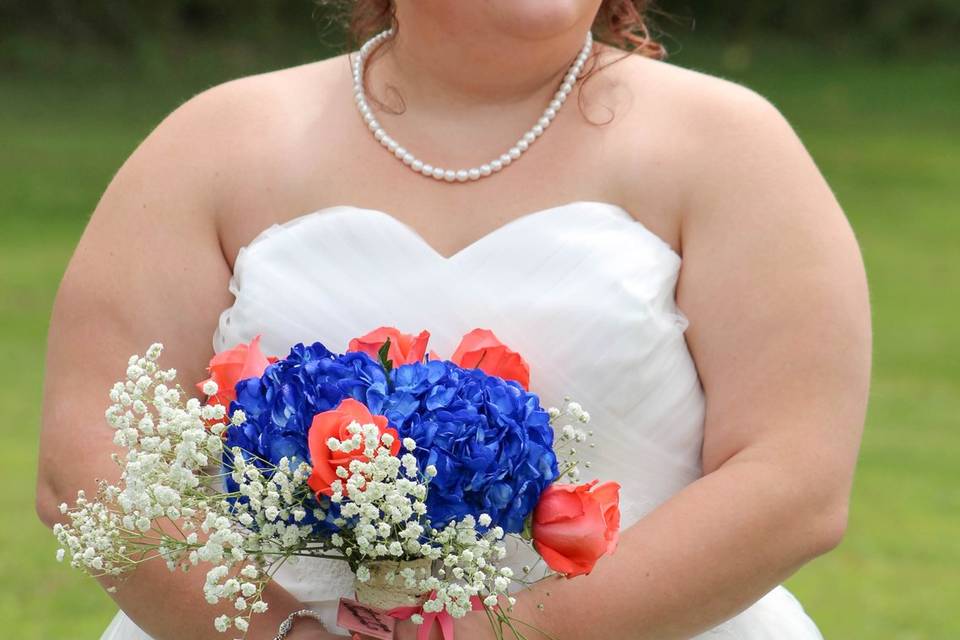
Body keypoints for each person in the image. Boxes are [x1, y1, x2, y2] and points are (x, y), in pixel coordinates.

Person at [35, 1, 872, 638]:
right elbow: (88, 465)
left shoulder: (728, 146)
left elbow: (792, 478)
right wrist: (284, 633)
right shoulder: (216, 142)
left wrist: (500, 634)